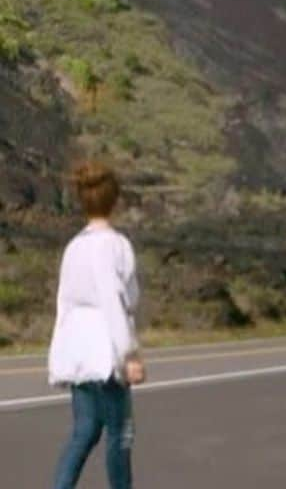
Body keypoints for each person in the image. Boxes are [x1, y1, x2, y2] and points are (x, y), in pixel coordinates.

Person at [48, 161, 146, 489]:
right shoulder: (114, 245)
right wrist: (128, 354)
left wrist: (60, 356)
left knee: (85, 431)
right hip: (105, 353)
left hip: (78, 352)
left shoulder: (74, 247)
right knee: (121, 433)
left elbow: (64, 305)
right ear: (114, 199)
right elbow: (114, 301)